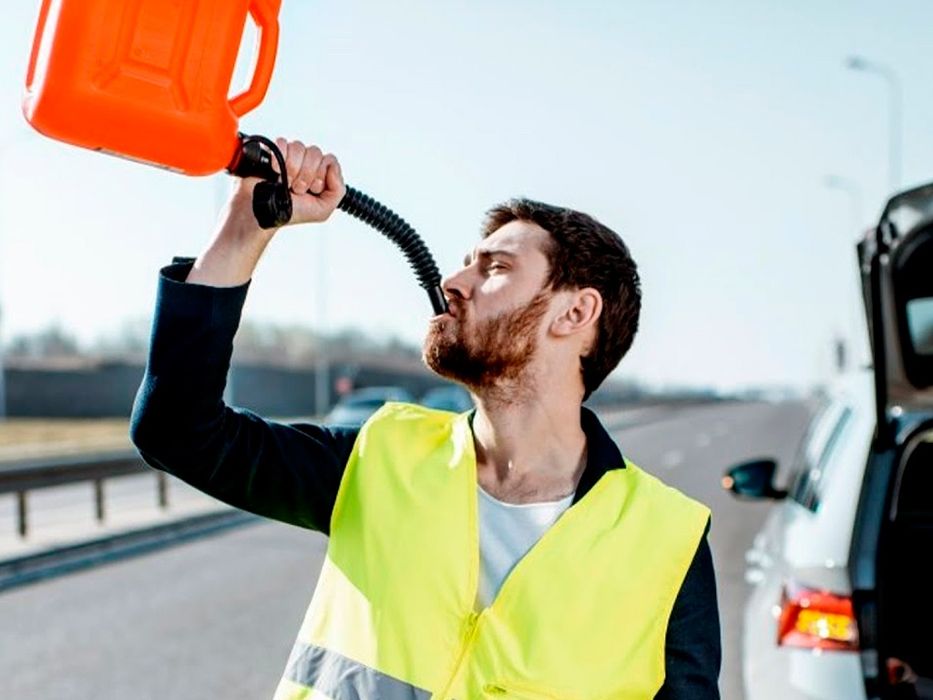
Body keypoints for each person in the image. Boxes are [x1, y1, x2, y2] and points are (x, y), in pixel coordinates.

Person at [130, 138, 721, 699]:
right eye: (467, 263)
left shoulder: (668, 542)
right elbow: (176, 429)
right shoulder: (380, 459)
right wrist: (243, 229)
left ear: (574, 312)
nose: (453, 281)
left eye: (493, 268)